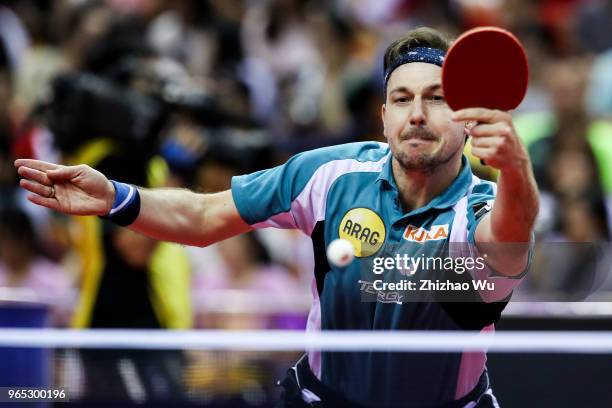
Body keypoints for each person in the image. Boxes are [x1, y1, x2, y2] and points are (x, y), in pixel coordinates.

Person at [14, 27, 538, 408]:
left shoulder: (478, 209)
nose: (417, 113)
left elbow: (507, 236)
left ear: (468, 118)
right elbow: (204, 215)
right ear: (384, 117)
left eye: (437, 98)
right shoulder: (332, 174)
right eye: (401, 99)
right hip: (319, 399)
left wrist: (515, 168)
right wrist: (115, 197)